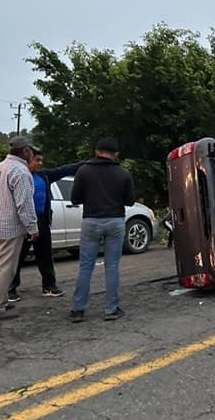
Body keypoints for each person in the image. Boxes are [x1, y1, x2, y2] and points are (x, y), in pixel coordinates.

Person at [70, 137, 134, 323]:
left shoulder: (83, 171)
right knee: (112, 266)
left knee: (85, 266)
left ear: (97, 151)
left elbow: (75, 198)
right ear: (116, 154)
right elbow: (130, 200)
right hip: (115, 220)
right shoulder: (123, 173)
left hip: (91, 220)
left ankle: (78, 309)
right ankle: (110, 309)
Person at [8, 148, 83, 302]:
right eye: (37, 160)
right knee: (17, 256)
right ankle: (10, 288)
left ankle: (49, 285)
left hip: (41, 220)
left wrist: (83, 163)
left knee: (45, 255)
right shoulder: (20, 175)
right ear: (28, 159)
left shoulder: (44, 175)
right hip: (22, 222)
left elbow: (63, 170)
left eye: (42, 160)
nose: (40, 163)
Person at [0, 136, 39, 321]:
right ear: (25, 151)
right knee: (6, 268)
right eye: (31, 150)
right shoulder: (20, 171)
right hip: (10, 226)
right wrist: (33, 228)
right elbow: (24, 204)